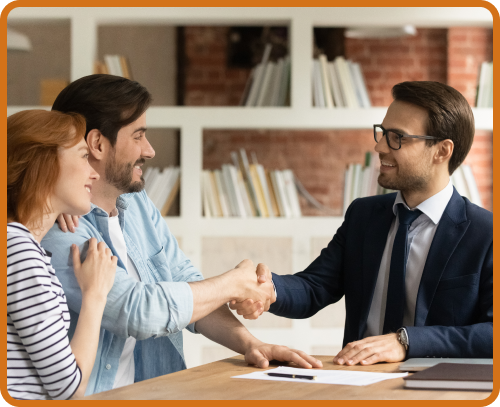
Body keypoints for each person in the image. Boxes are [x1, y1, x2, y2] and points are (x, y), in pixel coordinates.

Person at [41, 74, 321, 396]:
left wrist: (251, 345)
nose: (149, 150)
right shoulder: (59, 226)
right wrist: (234, 282)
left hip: (159, 392)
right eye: (139, 136)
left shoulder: (137, 203)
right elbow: (137, 311)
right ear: (98, 144)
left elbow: (185, 282)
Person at [231, 81, 493, 365]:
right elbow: (315, 286)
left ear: (442, 151)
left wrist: (406, 342)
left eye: (397, 137)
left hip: (438, 389)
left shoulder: (486, 233)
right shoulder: (363, 215)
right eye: (382, 133)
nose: (380, 146)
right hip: (357, 380)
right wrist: (268, 289)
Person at [7, 110, 117, 399]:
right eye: (83, 156)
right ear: (44, 163)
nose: (94, 171)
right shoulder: (18, 250)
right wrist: (95, 294)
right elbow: (68, 387)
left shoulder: (20, 246)